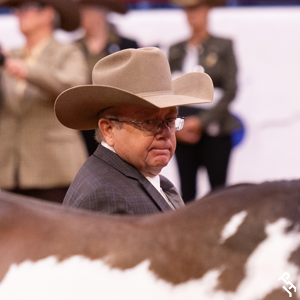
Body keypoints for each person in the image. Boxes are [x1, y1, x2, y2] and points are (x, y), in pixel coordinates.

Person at [54, 47, 214, 215]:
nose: (165, 133)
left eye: (170, 120)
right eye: (149, 122)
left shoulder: (130, 178)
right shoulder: (105, 196)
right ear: (108, 130)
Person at [0, 0, 89, 203]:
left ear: (48, 14)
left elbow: (74, 89)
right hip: (8, 172)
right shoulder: (10, 56)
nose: (18, 15)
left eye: (25, 9)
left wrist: (26, 70)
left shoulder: (68, 52)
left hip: (54, 169)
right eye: (16, 10)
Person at [168, 0, 239, 203]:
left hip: (214, 126)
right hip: (183, 128)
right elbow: (167, 91)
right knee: (186, 192)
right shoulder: (176, 49)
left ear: (208, 10)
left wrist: (202, 122)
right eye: (187, 10)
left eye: (197, 8)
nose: (192, 15)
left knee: (219, 193)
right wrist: (178, 126)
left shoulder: (223, 45)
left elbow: (231, 90)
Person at [76, 0, 139, 156]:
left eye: (88, 9)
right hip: (82, 125)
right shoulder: (72, 48)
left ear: (103, 12)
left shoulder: (127, 46)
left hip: (119, 122)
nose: (83, 15)